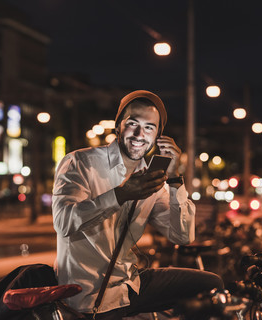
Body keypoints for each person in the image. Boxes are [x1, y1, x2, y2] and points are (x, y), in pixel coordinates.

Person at [52, 90, 224, 319]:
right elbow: (64, 222)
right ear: (118, 126)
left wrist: (174, 180)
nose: (139, 134)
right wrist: (120, 195)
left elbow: (182, 236)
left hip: (130, 284)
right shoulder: (80, 162)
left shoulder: (152, 178)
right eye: (132, 123)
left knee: (211, 286)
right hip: (88, 295)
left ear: (158, 136)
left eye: (149, 127)